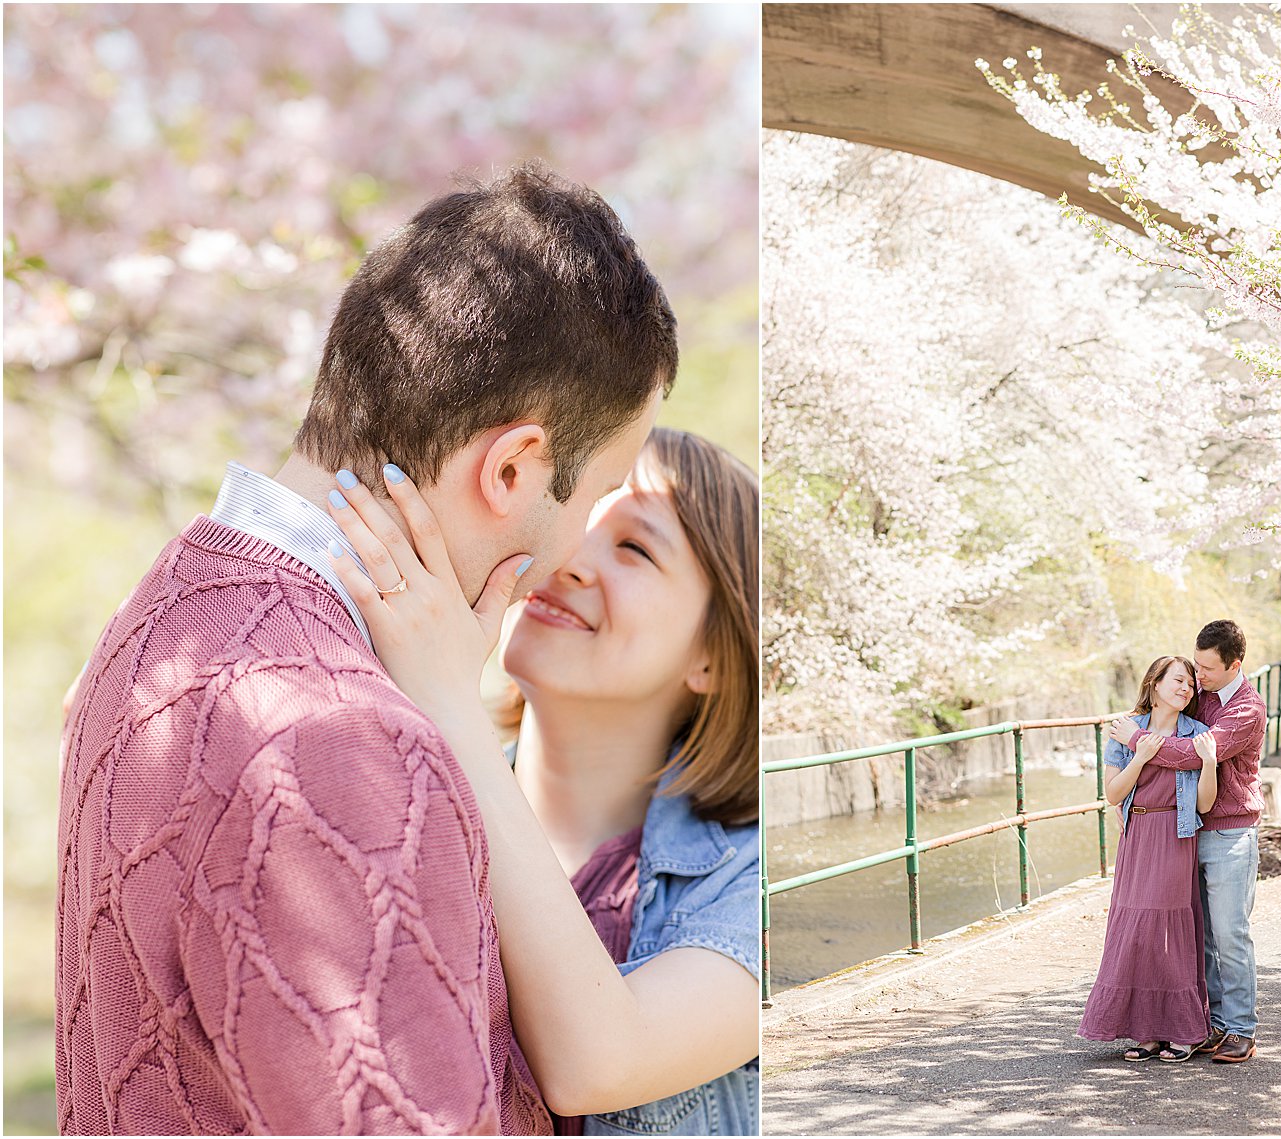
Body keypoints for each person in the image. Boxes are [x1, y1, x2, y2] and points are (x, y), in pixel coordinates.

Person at [55, 163, 677, 1135]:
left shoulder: (160, 613)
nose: (572, 556)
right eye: (593, 500)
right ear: (512, 466)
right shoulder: (339, 740)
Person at [321, 426, 759, 1135]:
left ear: (713, 654)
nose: (573, 558)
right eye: (578, 516)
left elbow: (600, 1063)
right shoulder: (399, 789)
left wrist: (446, 698)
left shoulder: (750, 880)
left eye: (636, 548)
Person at [1105, 619, 1268, 1064]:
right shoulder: (1201, 695)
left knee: (1231, 932)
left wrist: (1136, 739)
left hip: (1230, 830)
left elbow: (1187, 753)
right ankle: (1210, 1023)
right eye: (1194, 666)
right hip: (1187, 832)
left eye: (1207, 668)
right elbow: (1165, 713)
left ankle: (1240, 1029)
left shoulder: (1246, 709)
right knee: (1202, 936)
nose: (1198, 677)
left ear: (1235, 665)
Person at [1080, 656, 1219, 1061]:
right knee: (1137, 929)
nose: (1186, 689)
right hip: (1137, 835)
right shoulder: (1125, 730)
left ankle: (1181, 1029)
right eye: (1178, 681)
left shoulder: (1198, 734)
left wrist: (1208, 761)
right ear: (1155, 684)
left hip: (1175, 834)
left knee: (1168, 931)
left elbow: (1205, 803)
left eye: (1190, 685)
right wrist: (1138, 755)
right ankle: (1146, 1031)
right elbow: (1112, 793)